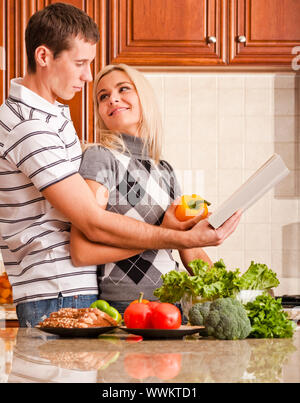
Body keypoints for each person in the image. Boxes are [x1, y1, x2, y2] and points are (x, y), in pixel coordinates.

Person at [0, 3, 241, 327]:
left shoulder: (54, 116)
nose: (88, 76)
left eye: (122, 89)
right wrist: (178, 236)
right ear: (44, 57)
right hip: (57, 289)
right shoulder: (31, 126)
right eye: (81, 64)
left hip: (75, 288)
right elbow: (91, 224)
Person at [68, 64, 210, 314]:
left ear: (144, 98)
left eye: (123, 89)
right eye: (103, 96)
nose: (112, 99)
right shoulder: (101, 158)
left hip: (172, 305)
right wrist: (163, 235)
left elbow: (188, 247)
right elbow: (82, 251)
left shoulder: (165, 169)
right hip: (124, 307)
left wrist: (228, 287)